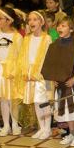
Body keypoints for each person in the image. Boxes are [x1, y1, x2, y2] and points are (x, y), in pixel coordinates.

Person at [41, 16, 74, 148]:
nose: (60, 28)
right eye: (59, 26)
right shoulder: (54, 45)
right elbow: (51, 65)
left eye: (63, 26)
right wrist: (53, 79)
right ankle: (72, 132)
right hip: (61, 85)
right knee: (66, 111)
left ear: (71, 28)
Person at [0, 7, 24, 136]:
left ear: (9, 21)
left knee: (12, 98)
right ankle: (6, 125)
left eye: (0, 18)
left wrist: (15, 70)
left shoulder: (17, 36)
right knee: (3, 98)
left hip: (12, 70)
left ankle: (15, 124)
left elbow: (20, 56)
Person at [18, 11, 53, 140]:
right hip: (30, 73)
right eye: (30, 20)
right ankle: (41, 127)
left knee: (45, 101)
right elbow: (23, 56)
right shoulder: (27, 38)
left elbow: (47, 58)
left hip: (43, 74)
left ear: (41, 22)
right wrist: (24, 71)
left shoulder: (47, 38)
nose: (32, 22)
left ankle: (48, 128)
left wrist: (38, 74)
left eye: (35, 20)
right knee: (36, 101)